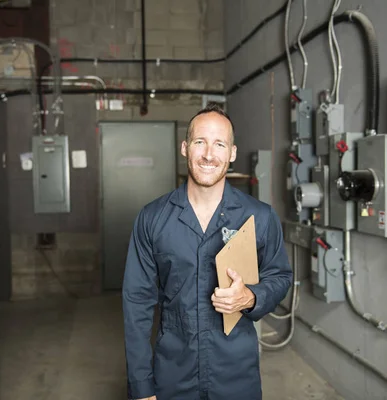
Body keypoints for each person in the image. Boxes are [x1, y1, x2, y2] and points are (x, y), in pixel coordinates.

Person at [122, 104, 293, 400]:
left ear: (233, 152)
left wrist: (251, 297)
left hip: (236, 373)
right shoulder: (152, 219)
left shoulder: (260, 217)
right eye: (200, 142)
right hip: (173, 372)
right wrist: (141, 384)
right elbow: (137, 303)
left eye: (219, 144)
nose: (209, 155)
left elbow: (279, 276)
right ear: (185, 148)